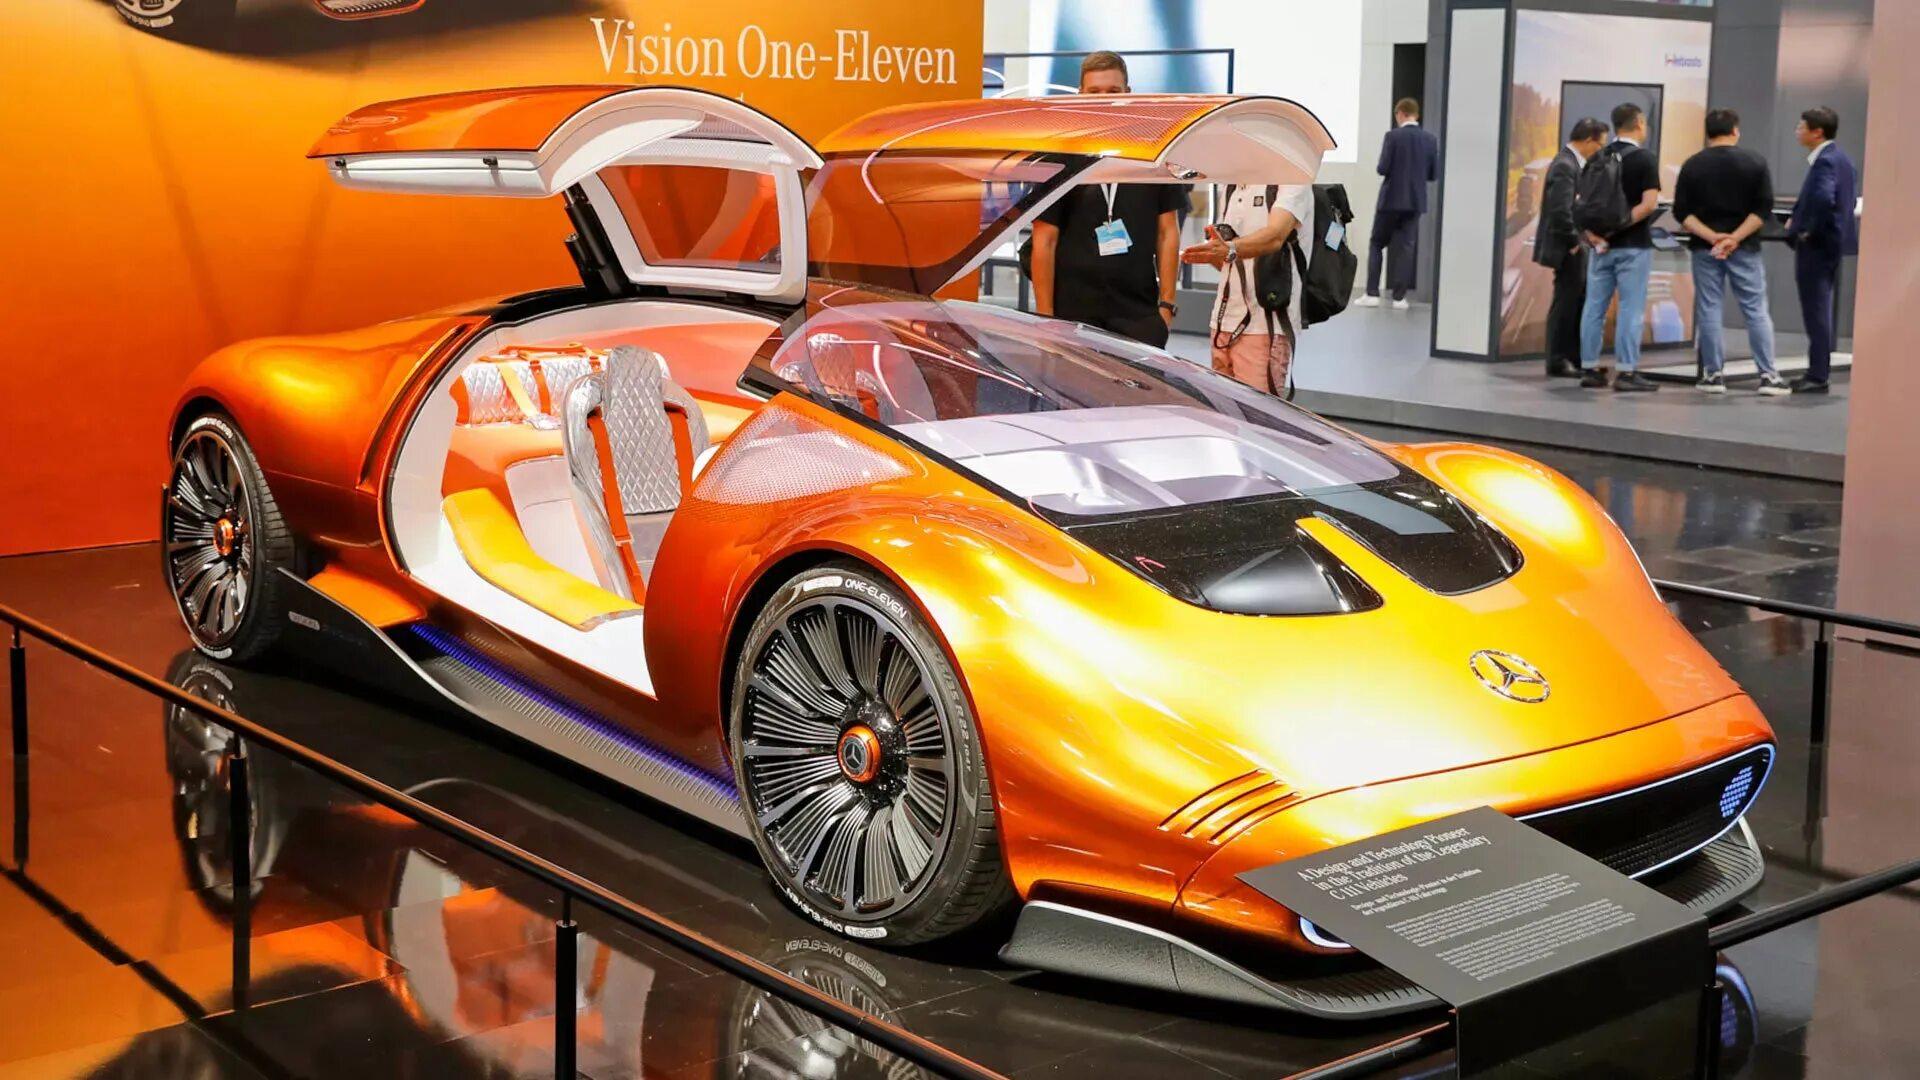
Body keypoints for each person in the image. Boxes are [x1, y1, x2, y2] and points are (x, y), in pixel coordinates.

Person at [1028, 51, 1186, 347]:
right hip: (1072, 313)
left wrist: (1167, 305)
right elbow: (1044, 240)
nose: (1104, 100)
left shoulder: (1153, 154)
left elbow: (1167, 233)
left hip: (1138, 313)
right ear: (1080, 96)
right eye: (1094, 92)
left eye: (1113, 91)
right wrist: (1046, 318)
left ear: (1128, 94)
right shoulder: (1058, 155)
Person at [1671, 108, 1790, 395]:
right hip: (1745, 247)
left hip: (1705, 249)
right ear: (1735, 131)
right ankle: (1768, 376)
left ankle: (1713, 375)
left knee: (1709, 308)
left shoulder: (1692, 165)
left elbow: (1681, 212)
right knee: (1755, 309)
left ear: (1707, 133)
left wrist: (1713, 237)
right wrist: (1734, 238)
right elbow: (1763, 209)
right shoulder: (1755, 162)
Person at [1179, 183, 1315, 395]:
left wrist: (1230, 248)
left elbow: (1275, 236)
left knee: (1257, 411)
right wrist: (1212, 254)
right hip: (1223, 321)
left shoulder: (1292, 181)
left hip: (1265, 324)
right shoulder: (1232, 186)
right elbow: (1229, 261)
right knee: (1223, 409)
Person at [1579, 103, 1663, 392]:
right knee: (1630, 309)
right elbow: (1649, 204)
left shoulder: (1597, 156)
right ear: (1639, 123)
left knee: (1593, 308)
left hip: (1600, 248)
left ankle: (1590, 368)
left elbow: (1580, 204)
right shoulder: (1645, 158)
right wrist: (1619, 227)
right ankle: (1626, 372)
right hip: (1633, 246)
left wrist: (1596, 235)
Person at [1784, 106, 1858, 393]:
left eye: (1801, 127)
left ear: (1817, 132)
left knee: (1816, 310)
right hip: (1833, 244)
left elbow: (1824, 199)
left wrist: (1805, 229)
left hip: (1817, 246)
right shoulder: (1842, 159)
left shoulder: (1825, 161)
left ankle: (1817, 374)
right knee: (1820, 308)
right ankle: (1818, 371)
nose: (1797, 131)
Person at [1535, 118, 1609, 378]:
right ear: (1588, 140)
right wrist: (1574, 242)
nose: (1600, 150)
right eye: (1600, 145)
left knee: (1577, 301)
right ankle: (1558, 360)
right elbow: (1560, 210)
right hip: (1567, 248)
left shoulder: (1572, 164)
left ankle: (1575, 358)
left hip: (1575, 245)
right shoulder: (1565, 166)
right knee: (1566, 303)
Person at [1356, 98, 1439, 310]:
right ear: (1416, 115)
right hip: (1415, 202)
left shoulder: (1392, 136)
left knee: (1377, 243)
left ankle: (1372, 294)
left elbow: (1382, 168)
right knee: (1406, 249)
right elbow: (1433, 174)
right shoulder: (1430, 140)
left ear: (1400, 114)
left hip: (1391, 201)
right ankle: (1399, 298)